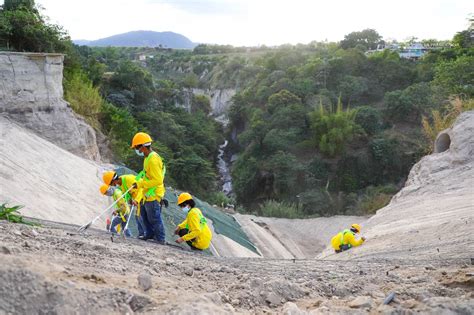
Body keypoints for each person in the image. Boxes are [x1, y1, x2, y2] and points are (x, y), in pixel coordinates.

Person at [131, 132, 166, 244]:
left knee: (154, 218)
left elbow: (158, 180)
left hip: (154, 194)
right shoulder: (147, 158)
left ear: (143, 146)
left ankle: (160, 239)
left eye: (137, 147)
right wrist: (140, 184)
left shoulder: (153, 159)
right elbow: (147, 177)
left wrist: (141, 184)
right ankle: (149, 234)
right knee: (145, 216)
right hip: (146, 193)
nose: (137, 150)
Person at [103, 171, 146, 239]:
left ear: (113, 180)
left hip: (145, 198)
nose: (112, 186)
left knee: (142, 217)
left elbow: (142, 188)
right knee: (137, 217)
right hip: (137, 201)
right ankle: (142, 235)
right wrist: (130, 200)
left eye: (111, 184)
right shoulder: (121, 185)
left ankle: (146, 235)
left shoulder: (128, 179)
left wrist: (137, 200)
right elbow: (128, 194)